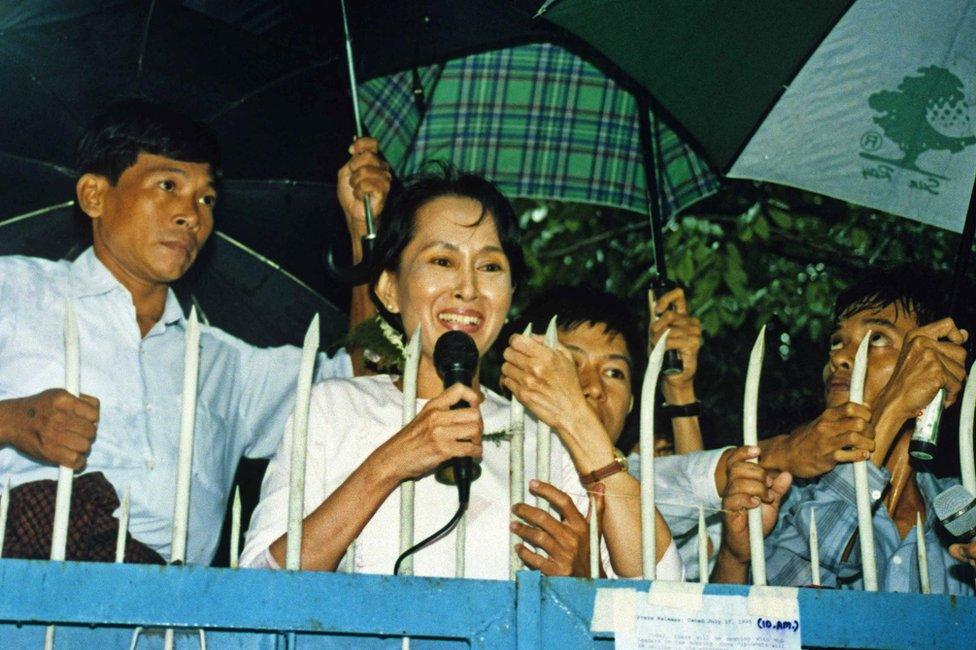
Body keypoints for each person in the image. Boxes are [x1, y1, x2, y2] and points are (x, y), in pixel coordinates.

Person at [0, 99, 391, 564]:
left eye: (206, 198)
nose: (193, 214)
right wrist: (10, 420)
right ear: (94, 196)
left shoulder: (224, 365)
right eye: (168, 185)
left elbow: (364, 381)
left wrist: (363, 229)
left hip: (169, 626)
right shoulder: (15, 290)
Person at [240, 170, 681, 579]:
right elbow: (258, 584)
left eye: (490, 267)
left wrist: (583, 580)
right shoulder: (334, 407)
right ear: (389, 289)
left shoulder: (544, 436)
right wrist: (389, 464)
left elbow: (664, 587)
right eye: (442, 262)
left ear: (509, 293)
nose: (468, 289)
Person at [712, 268, 971, 593]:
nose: (841, 358)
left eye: (876, 337)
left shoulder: (962, 510)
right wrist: (891, 409)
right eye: (837, 342)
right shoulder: (784, 493)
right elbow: (790, 612)